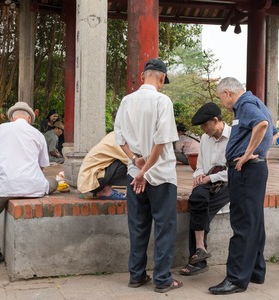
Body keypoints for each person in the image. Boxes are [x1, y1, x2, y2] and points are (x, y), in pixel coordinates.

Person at [114, 58, 183, 293]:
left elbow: (120, 140)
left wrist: (136, 162)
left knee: (138, 225)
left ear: (143, 75)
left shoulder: (126, 101)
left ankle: (136, 275)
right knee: (164, 226)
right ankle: (162, 280)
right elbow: (161, 142)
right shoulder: (162, 101)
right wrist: (145, 172)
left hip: (134, 174)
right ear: (162, 78)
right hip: (160, 175)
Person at [209, 77, 278, 295]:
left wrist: (247, 154)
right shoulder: (257, 103)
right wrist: (260, 152)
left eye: (222, 98)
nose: (223, 104)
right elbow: (274, 132)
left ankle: (236, 279)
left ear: (228, 93)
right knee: (254, 221)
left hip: (247, 171)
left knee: (242, 223)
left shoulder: (245, 105)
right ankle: (256, 271)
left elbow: (263, 125)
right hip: (255, 170)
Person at [0, 101, 58, 265]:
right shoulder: (38, 134)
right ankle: (44, 186)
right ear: (29, 119)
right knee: (53, 182)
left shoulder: (0, 129)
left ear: (11, 117)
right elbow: (42, 166)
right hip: (34, 188)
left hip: (4, 188)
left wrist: (1, 176)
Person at [179, 102, 231, 276]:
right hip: (208, 181)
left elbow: (235, 170)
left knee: (202, 210)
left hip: (227, 183)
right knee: (196, 200)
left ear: (215, 120)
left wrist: (211, 177)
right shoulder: (204, 139)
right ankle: (200, 248)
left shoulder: (234, 137)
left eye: (205, 125)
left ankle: (198, 261)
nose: (203, 129)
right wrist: (200, 175)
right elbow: (200, 164)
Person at [77, 131, 127, 200]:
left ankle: (105, 189)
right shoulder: (118, 138)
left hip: (91, 180)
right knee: (128, 163)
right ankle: (104, 191)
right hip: (93, 180)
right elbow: (131, 161)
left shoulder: (115, 134)